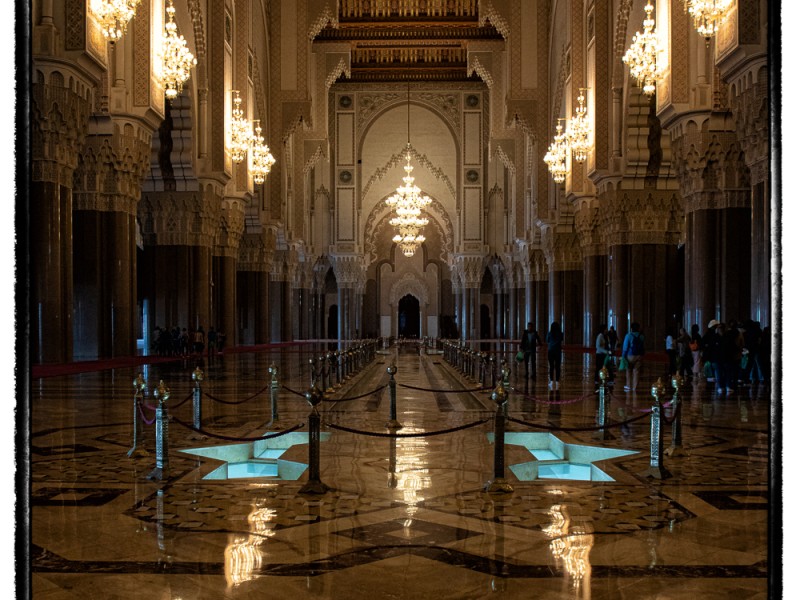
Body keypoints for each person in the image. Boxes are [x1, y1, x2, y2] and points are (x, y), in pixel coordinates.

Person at [621, 322, 645, 392]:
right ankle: (635, 387)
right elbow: (643, 347)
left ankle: (628, 385)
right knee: (636, 371)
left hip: (630, 356)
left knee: (628, 370)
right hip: (639, 356)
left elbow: (625, 347)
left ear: (631, 328)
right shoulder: (641, 336)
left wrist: (623, 356)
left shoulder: (628, 336)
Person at [546, 321, 564, 391]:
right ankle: (557, 381)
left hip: (550, 351)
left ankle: (551, 381)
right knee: (557, 366)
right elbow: (561, 340)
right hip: (558, 351)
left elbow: (547, 340)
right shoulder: (560, 334)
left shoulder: (550, 333)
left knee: (551, 366)